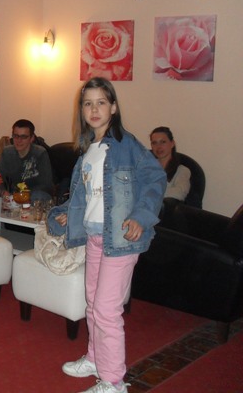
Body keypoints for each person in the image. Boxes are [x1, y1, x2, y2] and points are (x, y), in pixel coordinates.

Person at [47, 77, 166, 393]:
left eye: (101, 102)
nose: (94, 109)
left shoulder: (127, 145)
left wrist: (141, 215)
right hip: (95, 236)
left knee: (106, 310)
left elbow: (156, 180)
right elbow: (87, 195)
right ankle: (95, 358)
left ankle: (113, 381)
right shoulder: (88, 150)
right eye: (88, 103)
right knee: (92, 304)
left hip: (121, 240)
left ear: (113, 107)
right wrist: (68, 212)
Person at [0, 119, 54, 201]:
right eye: (16, 136)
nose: (19, 140)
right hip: (12, 195)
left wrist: (22, 195)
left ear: (32, 138)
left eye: (23, 137)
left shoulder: (40, 153)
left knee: (37, 195)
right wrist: (3, 192)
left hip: (33, 194)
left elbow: (45, 185)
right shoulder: (7, 152)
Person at [150, 126, 191, 202]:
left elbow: (180, 193)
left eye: (163, 142)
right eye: (154, 143)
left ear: (172, 143)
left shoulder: (182, 170)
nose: (158, 147)